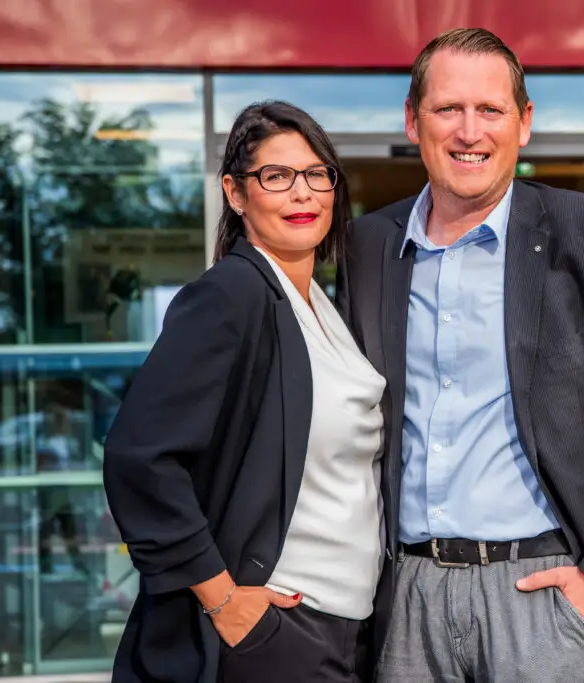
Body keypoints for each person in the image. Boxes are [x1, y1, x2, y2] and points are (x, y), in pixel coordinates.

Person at [336, 28, 584, 682]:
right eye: (448, 109)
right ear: (412, 119)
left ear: (525, 122)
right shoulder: (369, 246)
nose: (469, 130)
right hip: (408, 595)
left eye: (490, 110)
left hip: (545, 596)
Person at [103, 100, 386, 683]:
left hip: (347, 627)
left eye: (316, 174)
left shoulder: (323, 305)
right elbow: (139, 457)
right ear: (236, 194)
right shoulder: (232, 294)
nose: (302, 194)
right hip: (278, 633)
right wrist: (222, 600)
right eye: (276, 177)